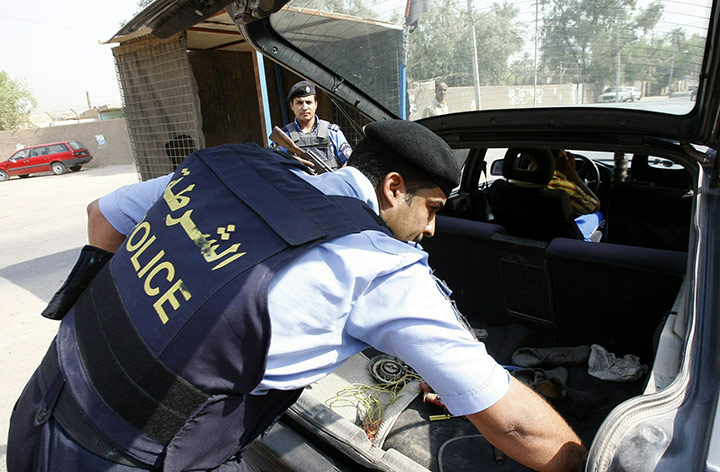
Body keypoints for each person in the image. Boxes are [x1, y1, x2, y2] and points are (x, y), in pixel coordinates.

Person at [8, 120, 585, 472]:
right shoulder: (381, 266)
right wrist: (586, 459)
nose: (432, 230)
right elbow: (514, 426)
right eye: (432, 208)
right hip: (123, 459)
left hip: (44, 402)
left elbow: (102, 216)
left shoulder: (232, 168)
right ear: (392, 188)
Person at [275, 80, 352, 171]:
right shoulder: (284, 136)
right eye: (299, 103)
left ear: (316, 104)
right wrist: (290, 162)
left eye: (308, 102)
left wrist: (337, 179)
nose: (304, 108)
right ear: (292, 105)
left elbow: (350, 162)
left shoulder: (332, 132)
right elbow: (272, 164)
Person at [548, 149, 603, 241]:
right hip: (563, 240)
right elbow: (595, 206)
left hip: (530, 233)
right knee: (598, 215)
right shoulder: (565, 187)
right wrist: (573, 176)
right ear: (560, 155)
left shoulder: (519, 179)